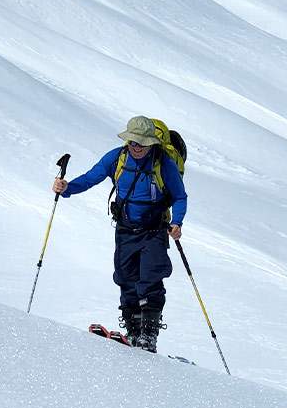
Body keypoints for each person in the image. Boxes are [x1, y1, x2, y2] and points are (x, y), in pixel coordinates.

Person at [52, 115, 187, 353]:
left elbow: (179, 196)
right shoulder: (117, 158)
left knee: (150, 280)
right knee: (126, 279)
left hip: (154, 230)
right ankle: (133, 333)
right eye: (133, 142)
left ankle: (148, 336)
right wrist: (67, 188)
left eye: (142, 144)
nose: (136, 148)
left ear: (152, 143)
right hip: (125, 229)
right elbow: (90, 179)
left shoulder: (164, 163)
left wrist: (176, 222)